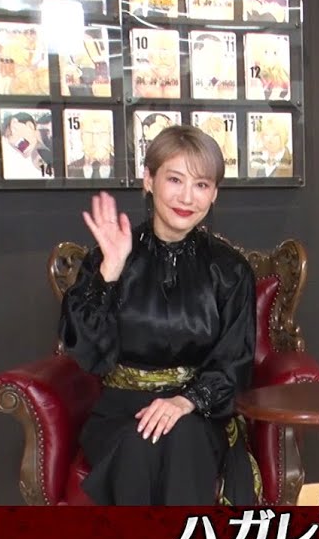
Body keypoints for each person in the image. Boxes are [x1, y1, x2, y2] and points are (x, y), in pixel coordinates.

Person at [58, 125, 260, 505]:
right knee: (142, 441)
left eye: (201, 184)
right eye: (175, 179)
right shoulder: (110, 256)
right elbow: (85, 350)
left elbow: (235, 360)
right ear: (149, 180)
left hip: (198, 410)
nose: (187, 197)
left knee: (180, 436)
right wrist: (110, 272)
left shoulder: (230, 270)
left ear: (214, 193)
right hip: (121, 409)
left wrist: (186, 401)